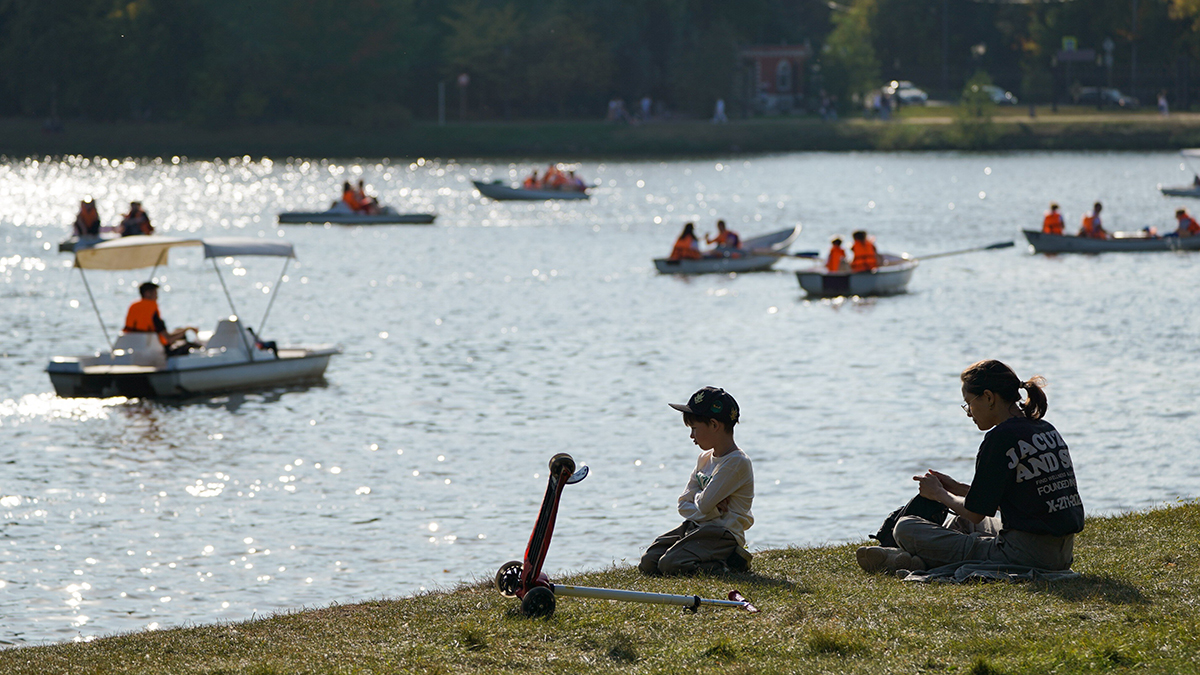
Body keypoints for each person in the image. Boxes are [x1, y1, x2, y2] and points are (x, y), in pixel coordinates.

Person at [856, 360, 1084, 575]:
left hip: (1024, 555)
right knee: (959, 521)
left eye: (969, 403)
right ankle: (909, 559)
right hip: (1060, 552)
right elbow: (1020, 498)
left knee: (906, 528)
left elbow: (976, 514)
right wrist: (957, 488)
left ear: (988, 397)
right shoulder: (1043, 428)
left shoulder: (1000, 438)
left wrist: (939, 494)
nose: (968, 412)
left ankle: (905, 557)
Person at [640, 387, 753, 576]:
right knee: (649, 562)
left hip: (722, 533)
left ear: (714, 425)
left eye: (694, 428)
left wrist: (704, 502)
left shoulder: (736, 462)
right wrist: (714, 508)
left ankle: (731, 563)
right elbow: (683, 505)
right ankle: (704, 556)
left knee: (670, 564)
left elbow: (702, 503)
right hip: (696, 527)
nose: (691, 436)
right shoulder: (704, 459)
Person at [124, 282, 198, 354]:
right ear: (147, 293)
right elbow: (168, 339)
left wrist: (181, 330)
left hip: (132, 343)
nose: (157, 296)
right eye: (155, 292)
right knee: (189, 345)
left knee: (178, 330)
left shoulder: (134, 307)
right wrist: (188, 329)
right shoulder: (152, 310)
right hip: (155, 349)